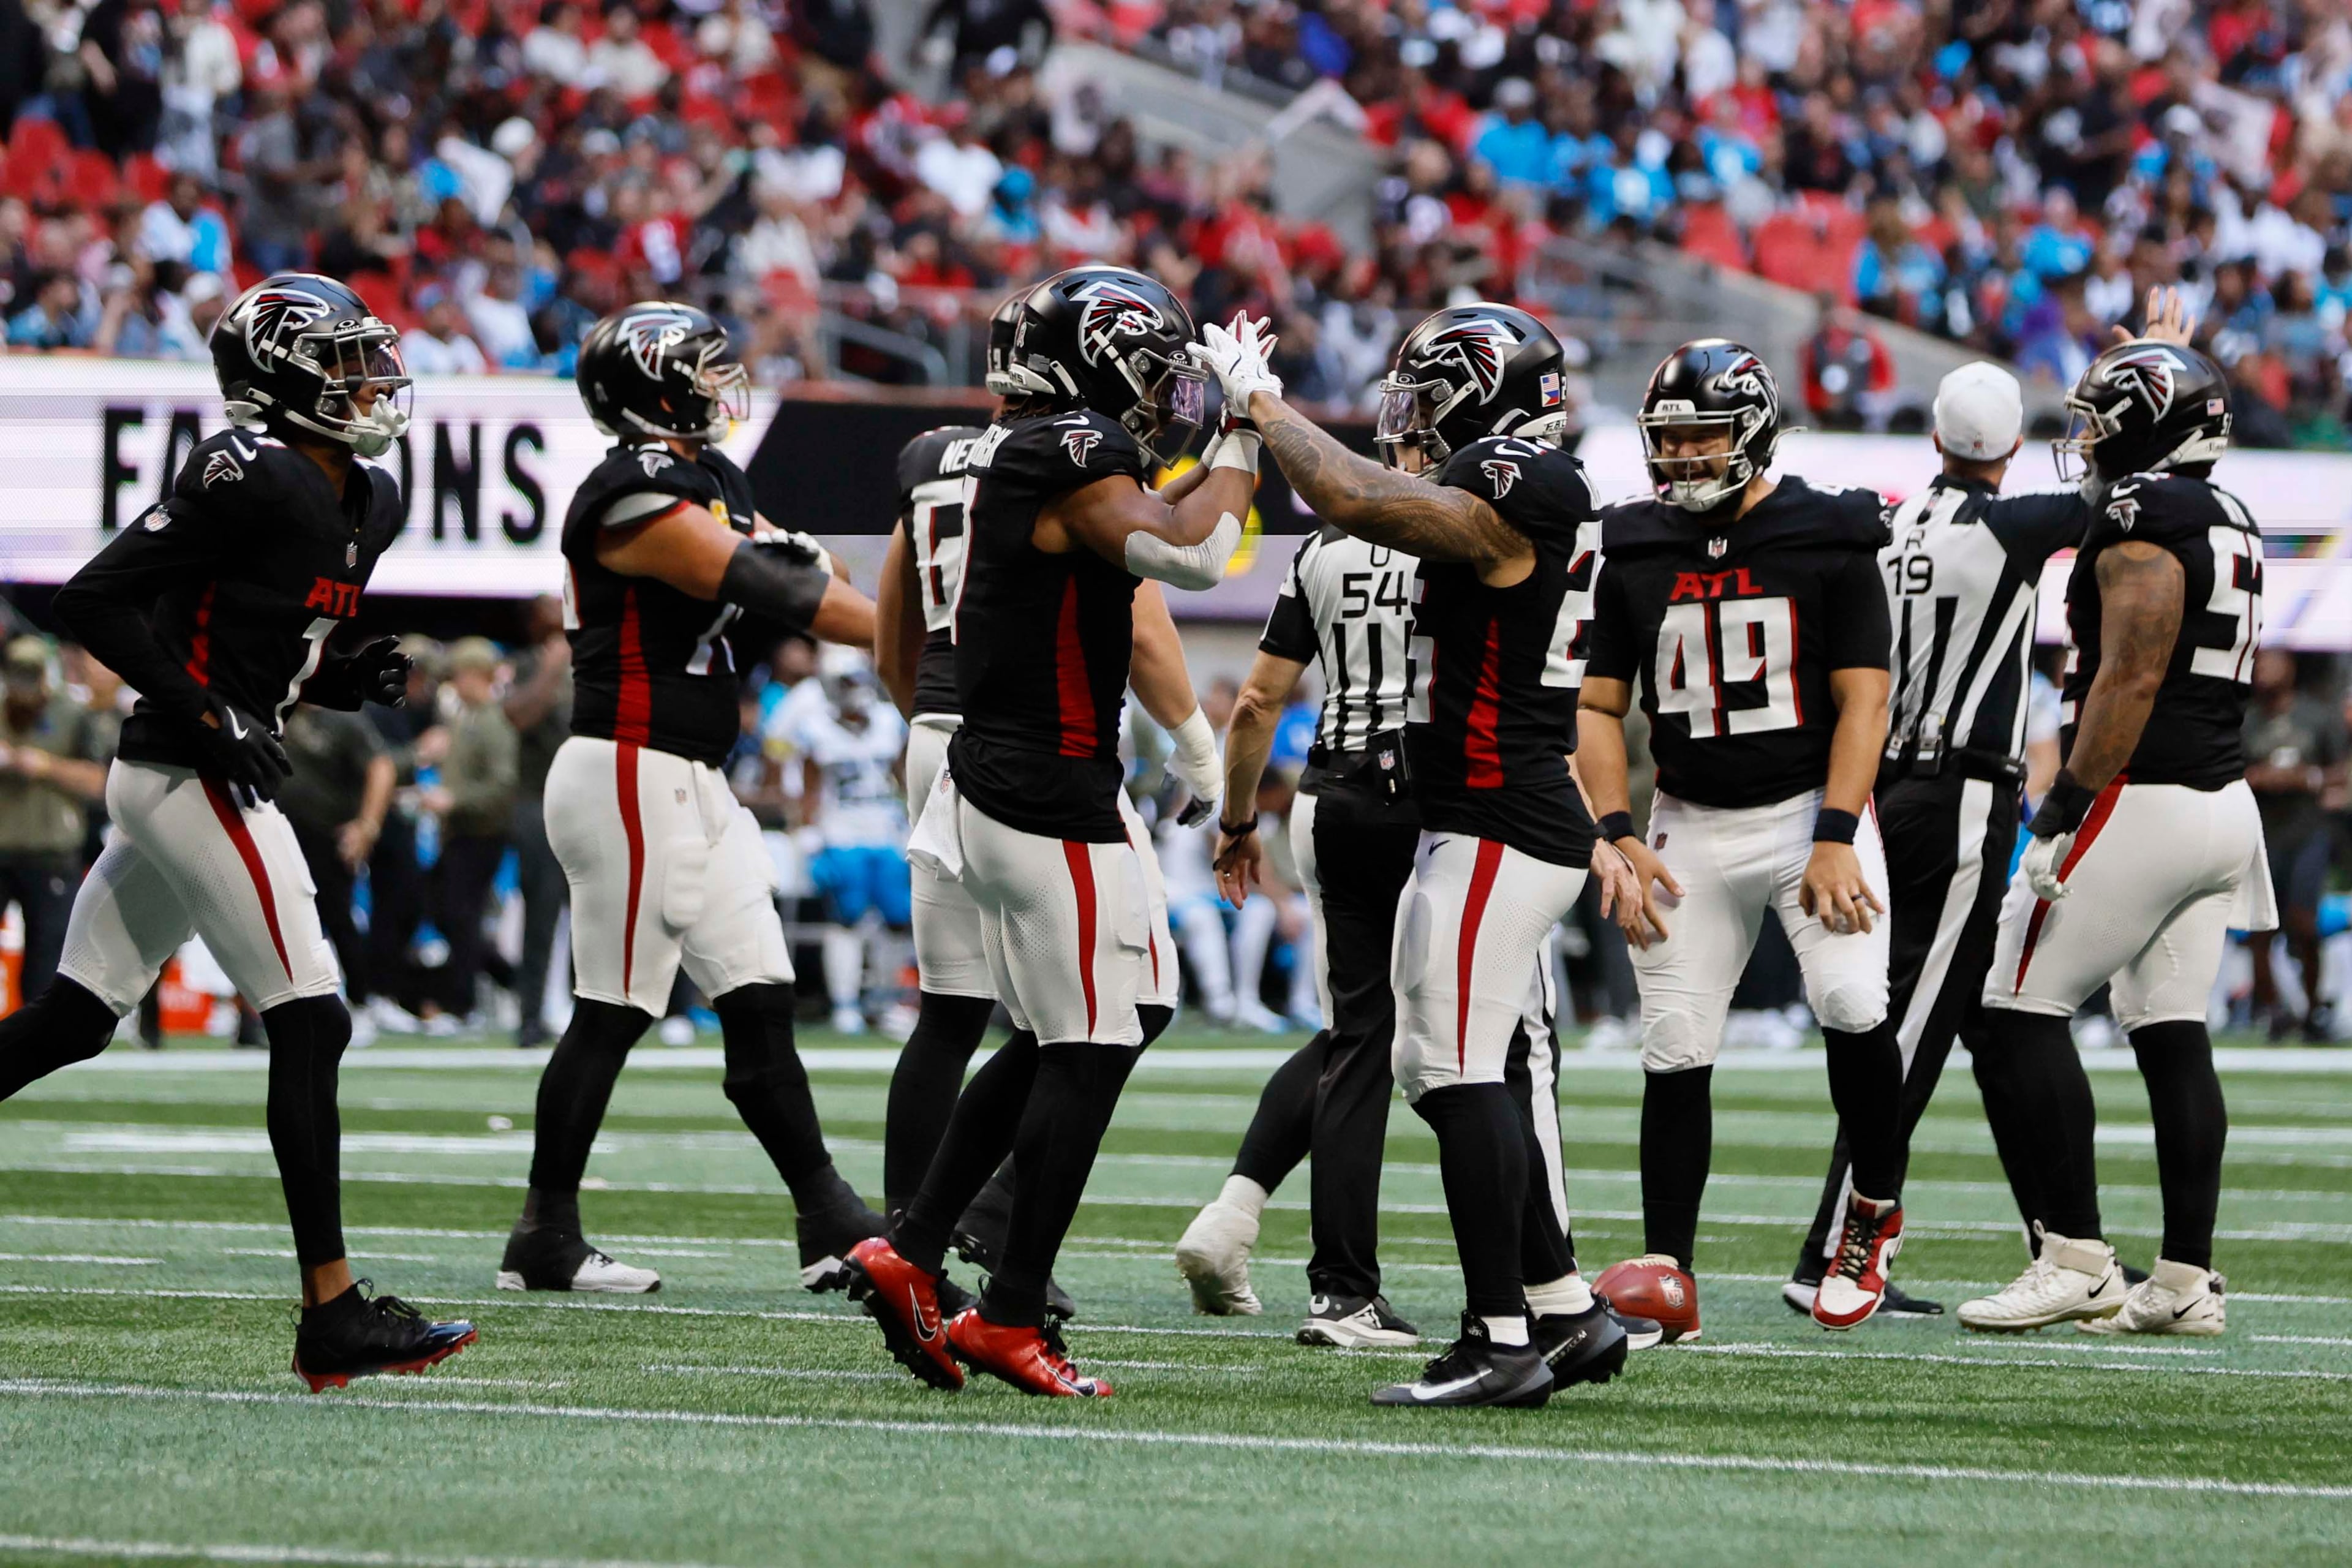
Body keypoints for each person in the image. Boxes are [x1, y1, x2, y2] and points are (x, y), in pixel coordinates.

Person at [0, 273, 475, 1389]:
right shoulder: (245, 473)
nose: (368, 382)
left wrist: (345, 672)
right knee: (312, 1019)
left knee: (72, 1019)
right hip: (182, 768)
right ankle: (333, 1310)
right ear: (277, 378)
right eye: (342, 363)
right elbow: (95, 601)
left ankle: (334, 1312)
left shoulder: (371, 497)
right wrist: (208, 713)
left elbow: (275, 638)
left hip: (193, 762)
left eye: (370, 360)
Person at [845, 263, 1251, 1399]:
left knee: (1100, 1017)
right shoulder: (1068, 448)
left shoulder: (1013, 448)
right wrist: (1250, 437)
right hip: (1043, 788)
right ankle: (1010, 1307)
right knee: (1089, 1041)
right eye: (1151, 371)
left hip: (1006, 770)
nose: (1167, 394)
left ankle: (916, 1243)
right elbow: (1190, 553)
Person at [1224, 301, 1640, 1407]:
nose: (1410, 413)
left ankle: (1498, 1338)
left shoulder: (1521, 474)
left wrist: (1263, 407)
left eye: (1429, 388)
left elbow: (1352, 494)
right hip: (1497, 813)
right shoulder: (1530, 479)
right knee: (1449, 1062)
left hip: (1503, 817)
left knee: (1452, 1067)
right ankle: (1562, 1306)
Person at [1789, 296, 2204, 1312]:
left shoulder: (1881, 522)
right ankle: (1838, 1253)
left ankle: (2066, 1245)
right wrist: (2151, 374)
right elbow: (2128, 484)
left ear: (1935, 435)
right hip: (1966, 793)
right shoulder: (2016, 522)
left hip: (1888, 785)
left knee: (1979, 1024)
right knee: (1914, 1026)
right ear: (2014, 444)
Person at [498, 302, 886, 1300]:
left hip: (691, 777)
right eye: (704, 370)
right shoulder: (631, 489)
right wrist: (913, 637)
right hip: (630, 765)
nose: (723, 385)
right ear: (656, 385)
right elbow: (780, 587)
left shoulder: (709, 480)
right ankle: (546, 1233)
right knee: (614, 1009)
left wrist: (829, 579)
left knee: (760, 997)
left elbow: (814, 567)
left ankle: (829, 1216)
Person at [1579, 338, 1909, 1333]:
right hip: (1691, 823)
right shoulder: (1635, 544)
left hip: (1810, 811)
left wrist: (1837, 832)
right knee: (1674, 1046)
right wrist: (1616, 828)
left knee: (1853, 1003)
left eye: (1702, 437)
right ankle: (1669, 1274)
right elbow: (1598, 707)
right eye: (1667, 441)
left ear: (1755, 434)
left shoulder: (1829, 529)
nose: (1680, 458)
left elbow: (1867, 698)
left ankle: (1872, 1217)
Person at [1961, 338, 2271, 1338]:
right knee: (2171, 1033)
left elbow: (2129, 677)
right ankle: (2184, 1281)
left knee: (2013, 1006)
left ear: (2148, 426)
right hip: (2224, 808)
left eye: (2104, 418)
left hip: (2141, 797)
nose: (2085, 439)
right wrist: (2151, 339)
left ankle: (2077, 1257)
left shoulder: (2148, 516)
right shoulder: (2226, 512)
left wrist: (2063, 810)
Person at [1173, 515, 1427, 1348]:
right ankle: (1524, 1283)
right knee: (1437, 1043)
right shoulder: (1476, 522)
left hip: (1325, 797)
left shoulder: (1325, 544)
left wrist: (1240, 820)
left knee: (1353, 1029)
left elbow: (1255, 699)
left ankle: (1233, 1216)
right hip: (1426, 802)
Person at [794, 653, 910, 1035]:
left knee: (898, 920)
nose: (855, 690)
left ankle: (885, 1000)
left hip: (887, 831)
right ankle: (845, 1003)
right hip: (842, 834)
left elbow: (904, 776)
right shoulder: (816, 729)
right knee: (847, 920)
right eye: (846, 682)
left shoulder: (890, 723)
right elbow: (810, 789)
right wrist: (809, 834)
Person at [2241, 648, 2345, 1041]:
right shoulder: (2247, 721)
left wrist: (2306, 778)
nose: (2266, 672)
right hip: (2261, 832)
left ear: (2292, 670)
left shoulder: (2316, 716)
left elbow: (2342, 770)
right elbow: (2229, 769)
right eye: (2260, 665)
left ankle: (2315, 1005)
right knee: (2259, 927)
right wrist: (2256, 778)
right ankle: (2271, 1008)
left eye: (2274, 664)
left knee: (2304, 922)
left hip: (2307, 830)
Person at [0, 638, 110, 1003]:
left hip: (51, 853)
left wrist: (47, 767)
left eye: (32, 675)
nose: (25, 685)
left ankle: (28, 1048)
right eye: (18, 675)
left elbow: (98, 782)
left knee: (46, 962)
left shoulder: (72, 715)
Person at [276, 701, 394, 1028]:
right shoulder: (277, 709)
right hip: (276, 831)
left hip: (327, 833)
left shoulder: (342, 717)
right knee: (279, 922)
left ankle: (360, 1002)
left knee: (337, 916)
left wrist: (367, 825)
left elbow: (381, 767)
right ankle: (277, 1010)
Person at [424, 638, 518, 1026]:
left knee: (460, 914)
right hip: (461, 833)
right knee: (446, 911)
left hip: (481, 833)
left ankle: (463, 1004)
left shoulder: (494, 721)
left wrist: (454, 800)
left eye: (459, 675)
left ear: (477, 675)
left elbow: (502, 784)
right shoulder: (467, 718)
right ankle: (504, 975)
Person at [503, 595, 573, 1049]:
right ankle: (531, 1016)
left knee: (598, 913)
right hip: (540, 801)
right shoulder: (526, 664)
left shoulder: (594, 661)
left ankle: (588, 1009)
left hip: (590, 799)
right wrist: (551, 668)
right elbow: (518, 716)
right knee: (542, 911)